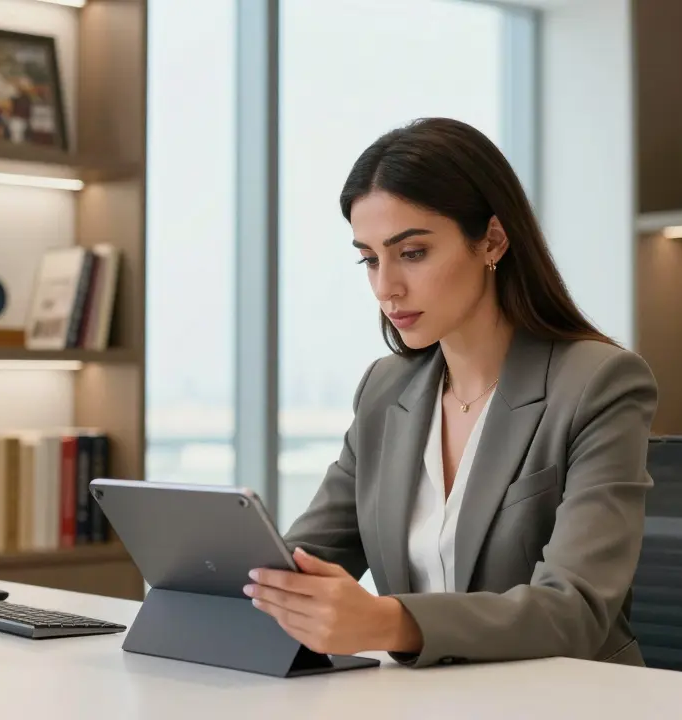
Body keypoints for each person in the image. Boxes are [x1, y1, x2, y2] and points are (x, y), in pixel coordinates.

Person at [243, 117, 659, 669]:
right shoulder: (384, 390)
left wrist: (388, 620)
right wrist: (246, 579)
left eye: (411, 253)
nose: (385, 286)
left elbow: (574, 611)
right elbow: (303, 559)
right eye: (369, 258)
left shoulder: (599, 384)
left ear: (491, 239)